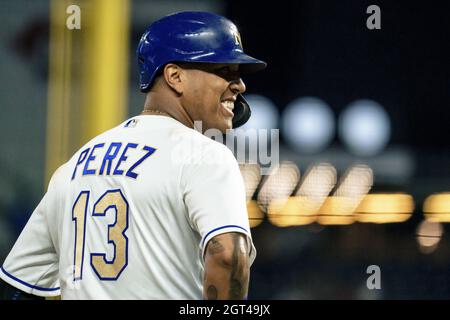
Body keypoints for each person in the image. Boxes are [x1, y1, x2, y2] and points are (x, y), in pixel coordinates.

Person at [0, 11, 266, 299]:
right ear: (174, 76)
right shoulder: (204, 155)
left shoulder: (74, 165)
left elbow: (19, 286)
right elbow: (227, 255)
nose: (240, 85)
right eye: (224, 71)